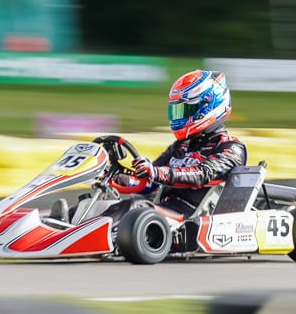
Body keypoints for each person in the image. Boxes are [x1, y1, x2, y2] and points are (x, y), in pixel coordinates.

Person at [106, 69, 247, 220]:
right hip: (163, 213)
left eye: (186, 109)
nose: (180, 116)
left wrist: (158, 172)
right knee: (99, 206)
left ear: (209, 105)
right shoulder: (181, 146)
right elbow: (147, 183)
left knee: (135, 208)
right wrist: (112, 176)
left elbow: (203, 174)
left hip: (193, 219)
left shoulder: (231, 148)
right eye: (177, 110)